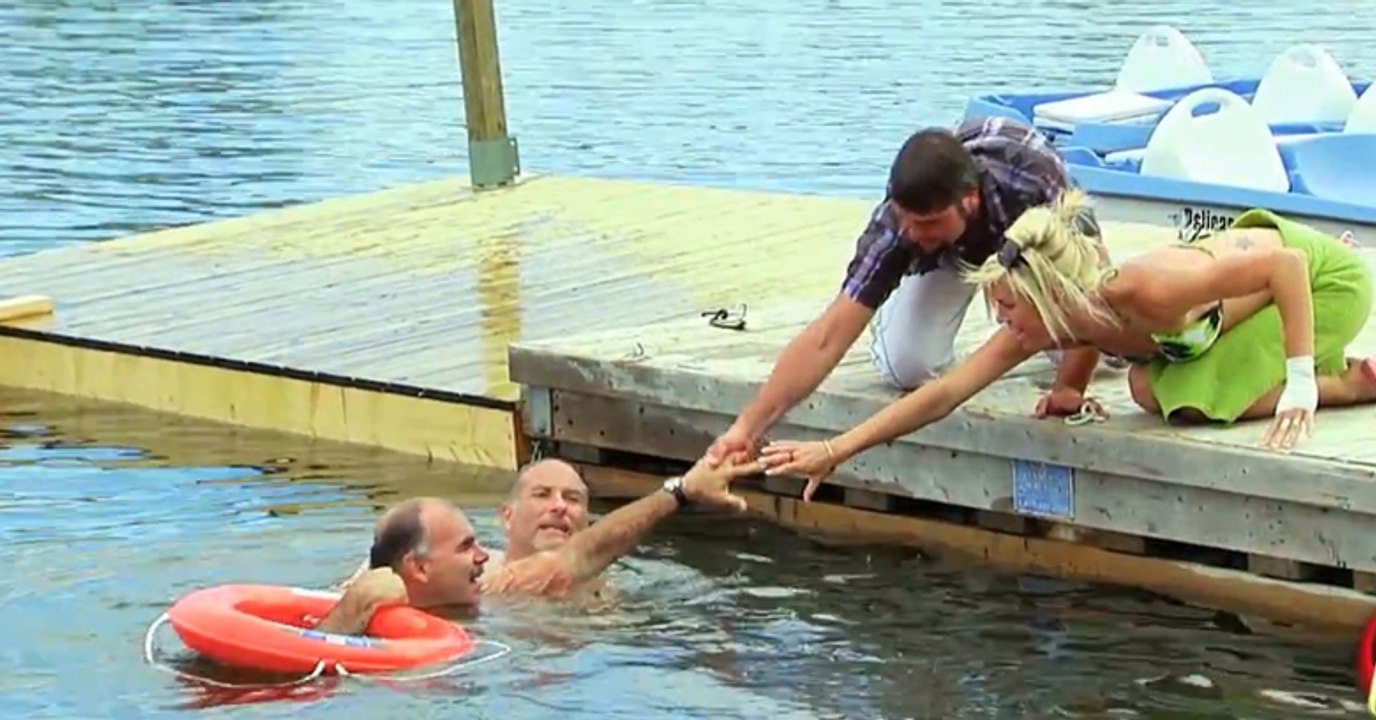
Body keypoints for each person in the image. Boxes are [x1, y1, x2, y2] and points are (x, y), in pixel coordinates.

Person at [758, 191, 1376, 500]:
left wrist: (1298, 376)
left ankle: (1348, 380)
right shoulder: (1052, 322)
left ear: (1047, 292)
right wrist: (836, 449)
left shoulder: (1148, 286)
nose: (1001, 319)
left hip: (1323, 282)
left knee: (1191, 400)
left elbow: (1288, 264)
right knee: (1142, 386)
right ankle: (1301, 362)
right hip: (1239, 310)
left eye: (1005, 303)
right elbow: (945, 392)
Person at [704, 116, 1105, 466]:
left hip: (1028, 252)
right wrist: (746, 428)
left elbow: (1091, 280)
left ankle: (1036, 332)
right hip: (952, 257)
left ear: (969, 200)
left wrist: (1069, 386)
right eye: (906, 220)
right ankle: (980, 327)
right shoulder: (899, 227)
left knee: (1087, 338)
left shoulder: (1033, 181)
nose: (912, 233)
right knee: (907, 365)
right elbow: (828, 338)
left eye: (927, 223)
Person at [316, 453, 762, 634]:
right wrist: (680, 490)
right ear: (505, 517)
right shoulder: (485, 579)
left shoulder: (613, 589)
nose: (559, 507)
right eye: (542, 495)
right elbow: (573, 560)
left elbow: (583, 558)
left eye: (573, 499)